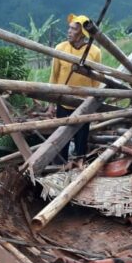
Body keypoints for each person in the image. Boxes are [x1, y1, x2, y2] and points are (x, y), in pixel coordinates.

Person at [49, 14, 102, 162]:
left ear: (82, 34)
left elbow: (96, 81)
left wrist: (94, 103)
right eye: (69, 28)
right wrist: (51, 103)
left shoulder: (94, 52)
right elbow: (54, 76)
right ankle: (58, 170)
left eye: (73, 29)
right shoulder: (60, 48)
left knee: (81, 140)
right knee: (60, 139)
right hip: (63, 100)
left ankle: (79, 167)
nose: (69, 32)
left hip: (83, 103)